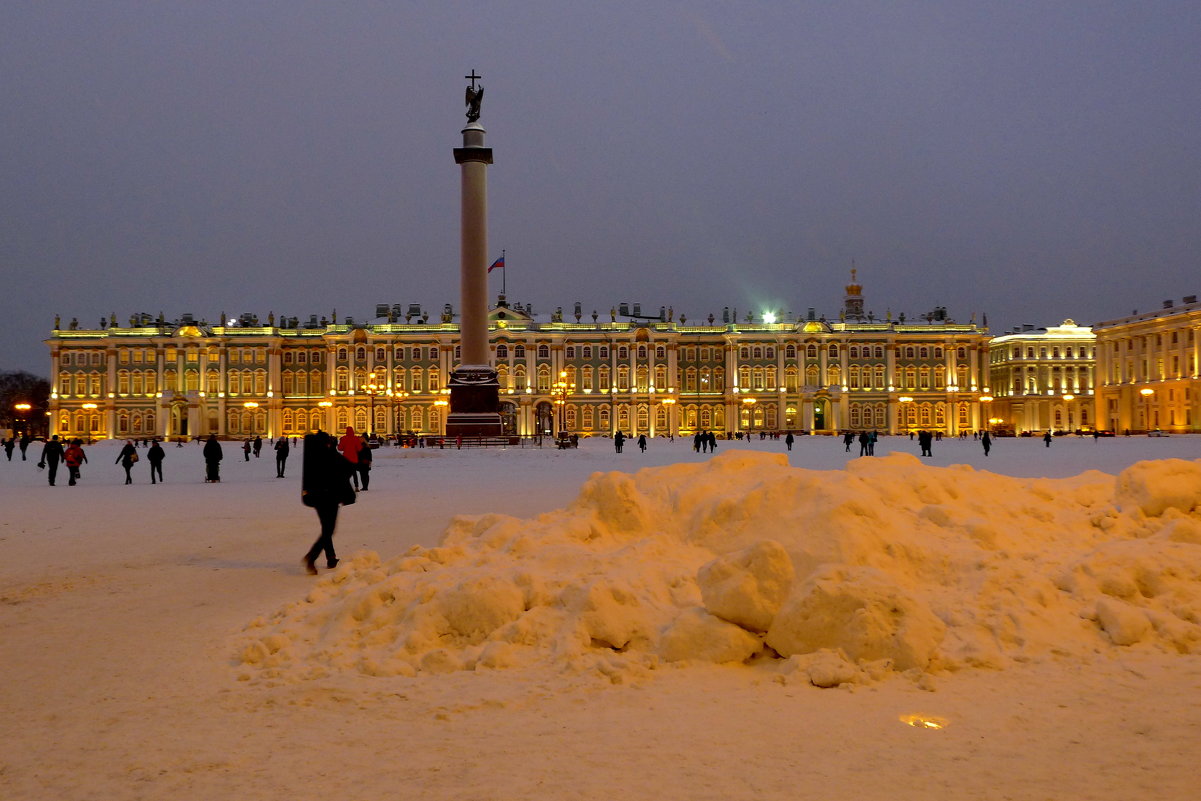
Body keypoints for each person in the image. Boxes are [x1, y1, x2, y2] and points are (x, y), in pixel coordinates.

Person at [301, 431, 355, 575]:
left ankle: (331, 558)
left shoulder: (312, 457)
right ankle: (312, 556)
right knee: (329, 530)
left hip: (316, 497)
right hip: (330, 497)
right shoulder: (330, 454)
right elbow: (349, 467)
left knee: (326, 528)